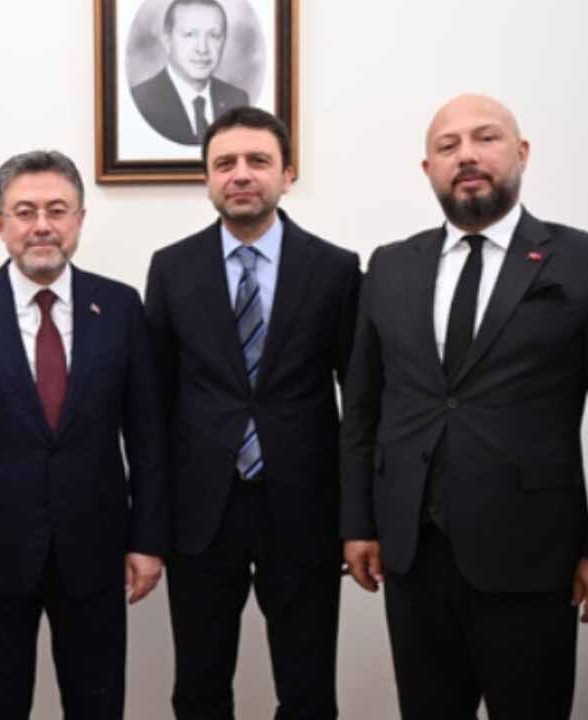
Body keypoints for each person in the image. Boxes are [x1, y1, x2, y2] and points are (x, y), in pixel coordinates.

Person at [341, 93, 588, 718]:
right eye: (447, 146)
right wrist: (359, 523)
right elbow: (363, 409)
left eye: (485, 138)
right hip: (413, 557)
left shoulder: (587, 263)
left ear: (522, 152)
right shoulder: (391, 266)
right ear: (427, 167)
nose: (467, 156)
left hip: (532, 559)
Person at [0, 150, 169, 719]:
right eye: (25, 211)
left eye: (57, 210)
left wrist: (148, 539)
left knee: (97, 704)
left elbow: (147, 434)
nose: (42, 226)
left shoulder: (120, 306)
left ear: (80, 219)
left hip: (96, 547)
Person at [145, 107, 360, 719]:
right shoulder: (172, 268)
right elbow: (154, 404)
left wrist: (356, 517)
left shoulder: (336, 269)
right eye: (225, 163)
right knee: (200, 685)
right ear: (207, 179)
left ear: (287, 173)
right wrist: (152, 522)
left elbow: (359, 400)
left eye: (258, 161)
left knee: (308, 686)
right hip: (201, 512)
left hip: (305, 508)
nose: (241, 174)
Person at [131, 0, 250, 146]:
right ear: (167, 41)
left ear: (224, 40)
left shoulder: (237, 100)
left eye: (214, 35)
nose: (202, 49)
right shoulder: (141, 101)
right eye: (190, 34)